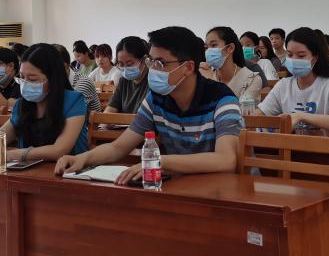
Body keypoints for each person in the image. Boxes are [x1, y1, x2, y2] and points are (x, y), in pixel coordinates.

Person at [54, 26, 243, 185]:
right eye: (151, 61)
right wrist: (82, 158)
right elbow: (119, 147)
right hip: (177, 187)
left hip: (218, 190)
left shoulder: (222, 99)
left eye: (160, 63)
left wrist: (161, 162)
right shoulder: (156, 100)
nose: (152, 69)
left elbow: (226, 160)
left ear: (188, 67)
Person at [0, 44, 88, 166]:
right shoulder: (23, 104)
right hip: (28, 173)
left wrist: (12, 155)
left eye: (32, 79)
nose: (25, 84)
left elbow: (59, 150)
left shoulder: (74, 101)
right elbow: (1, 135)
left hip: (67, 172)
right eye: (22, 78)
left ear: (53, 79)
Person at [256, 27, 329, 135]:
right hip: (289, 145)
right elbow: (258, 115)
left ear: (315, 58)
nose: (294, 60)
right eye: (290, 55)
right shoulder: (283, 85)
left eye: (301, 55)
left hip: (321, 145)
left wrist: (300, 116)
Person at [201, 26, 263, 105]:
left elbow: (237, 111)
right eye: (206, 47)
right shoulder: (204, 75)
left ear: (230, 48)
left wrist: (211, 81)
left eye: (213, 45)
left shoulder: (252, 80)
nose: (208, 51)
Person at [105, 36, 151, 114]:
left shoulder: (153, 81)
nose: (125, 68)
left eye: (130, 64)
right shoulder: (124, 80)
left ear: (144, 60)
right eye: (121, 64)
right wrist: (104, 119)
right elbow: (111, 108)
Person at [53, 44, 102, 113]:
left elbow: (67, 112)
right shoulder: (78, 67)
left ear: (65, 67)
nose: (76, 59)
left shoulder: (83, 82)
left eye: (78, 56)